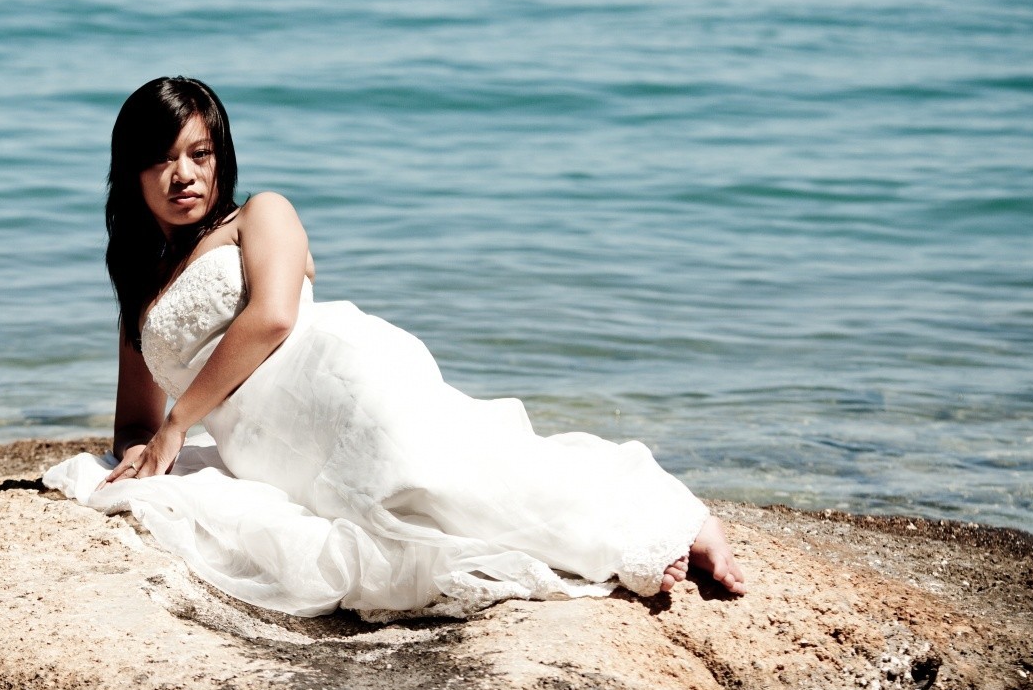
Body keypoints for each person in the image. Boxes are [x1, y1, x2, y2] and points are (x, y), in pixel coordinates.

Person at [44, 76, 745, 618]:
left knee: (473, 482)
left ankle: (677, 522)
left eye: (199, 154)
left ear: (222, 159)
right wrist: (146, 443)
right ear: (131, 174)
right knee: (425, 527)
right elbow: (134, 425)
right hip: (271, 450)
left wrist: (177, 425)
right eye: (162, 160)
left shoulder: (263, 214)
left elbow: (272, 318)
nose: (184, 175)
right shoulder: (140, 291)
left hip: (347, 382)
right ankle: (640, 539)